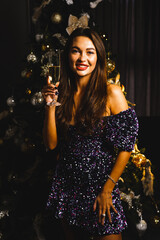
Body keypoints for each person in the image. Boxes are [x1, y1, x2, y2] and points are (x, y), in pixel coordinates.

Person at [42, 28, 139, 240]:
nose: (82, 58)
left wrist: (107, 190)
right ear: (68, 55)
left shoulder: (111, 93)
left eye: (90, 52)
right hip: (68, 189)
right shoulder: (63, 95)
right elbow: (51, 145)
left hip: (101, 189)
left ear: (99, 57)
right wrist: (50, 107)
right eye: (76, 51)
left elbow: (126, 146)